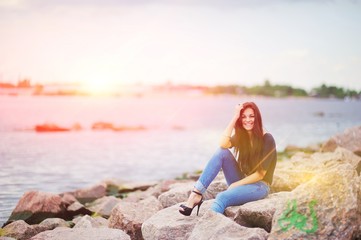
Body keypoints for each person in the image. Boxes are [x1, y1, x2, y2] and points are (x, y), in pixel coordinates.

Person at [179, 102, 277, 216]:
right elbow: (223, 143)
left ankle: (210, 225)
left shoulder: (267, 139)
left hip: (260, 186)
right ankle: (196, 194)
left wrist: (235, 185)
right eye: (243, 117)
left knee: (222, 197)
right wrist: (235, 117)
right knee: (222, 152)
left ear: (257, 118)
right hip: (244, 181)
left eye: (251, 116)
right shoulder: (243, 136)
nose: (248, 120)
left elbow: (260, 174)